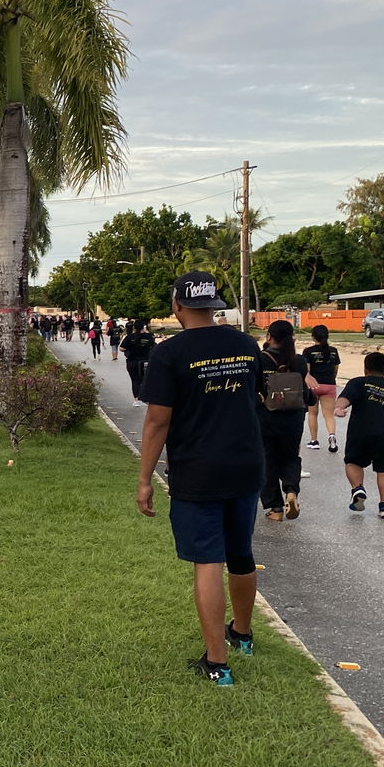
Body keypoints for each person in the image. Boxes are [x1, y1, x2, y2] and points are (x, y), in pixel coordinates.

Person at [136, 271, 263, 687]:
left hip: (199, 470)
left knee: (208, 560)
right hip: (246, 465)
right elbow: (255, 397)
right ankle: (242, 634)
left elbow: (157, 421)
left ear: (177, 305)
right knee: (241, 552)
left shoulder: (170, 353)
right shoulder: (245, 345)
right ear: (214, 305)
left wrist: (144, 478)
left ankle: (217, 664)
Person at [335, 351, 384, 519]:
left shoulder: (358, 382)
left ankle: (358, 489)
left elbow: (345, 398)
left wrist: (339, 408)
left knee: (353, 462)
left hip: (360, 432)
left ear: (366, 369)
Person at [255, 320, 314, 523]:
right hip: (294, 417)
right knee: (290, 457)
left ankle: (275, 508)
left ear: (269, 337)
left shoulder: (261, 359)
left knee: (267, 460)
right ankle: (291, 491)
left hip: (266, 417)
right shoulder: (299, 361)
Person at [302, 324, 341, 453]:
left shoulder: (308, 351)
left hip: (313, 385)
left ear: (313, 337)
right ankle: (332, 436)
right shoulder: (333, 351)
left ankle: (314, 441)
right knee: (329, 415)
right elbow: (335, 369)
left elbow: (307, 370)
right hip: (329, 384)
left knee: (313, 413)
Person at [120, 319, 155, 404]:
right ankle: (146, 398)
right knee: (145, 380)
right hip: (145, 361)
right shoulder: (149, 336)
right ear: (144, 327)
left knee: (135, 381)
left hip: (132, 362)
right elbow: (153, 346)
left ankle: (136, 400)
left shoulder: (129, 337)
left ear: (134, 327)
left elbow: (121, 348)